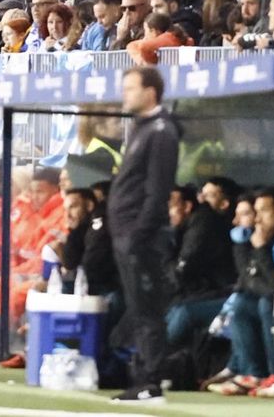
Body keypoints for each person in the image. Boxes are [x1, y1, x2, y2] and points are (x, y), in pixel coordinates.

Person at [109, 64, 180, 403]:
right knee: (138, 309)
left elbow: (157, 189)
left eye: (130, 88)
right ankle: (143, 378)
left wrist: (139, 232)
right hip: (128, 234)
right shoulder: (141, 128)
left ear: (150, 91)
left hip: (142, 237)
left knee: (147, 310)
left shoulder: (162, 131)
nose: (125, 95)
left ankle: (151, 381)